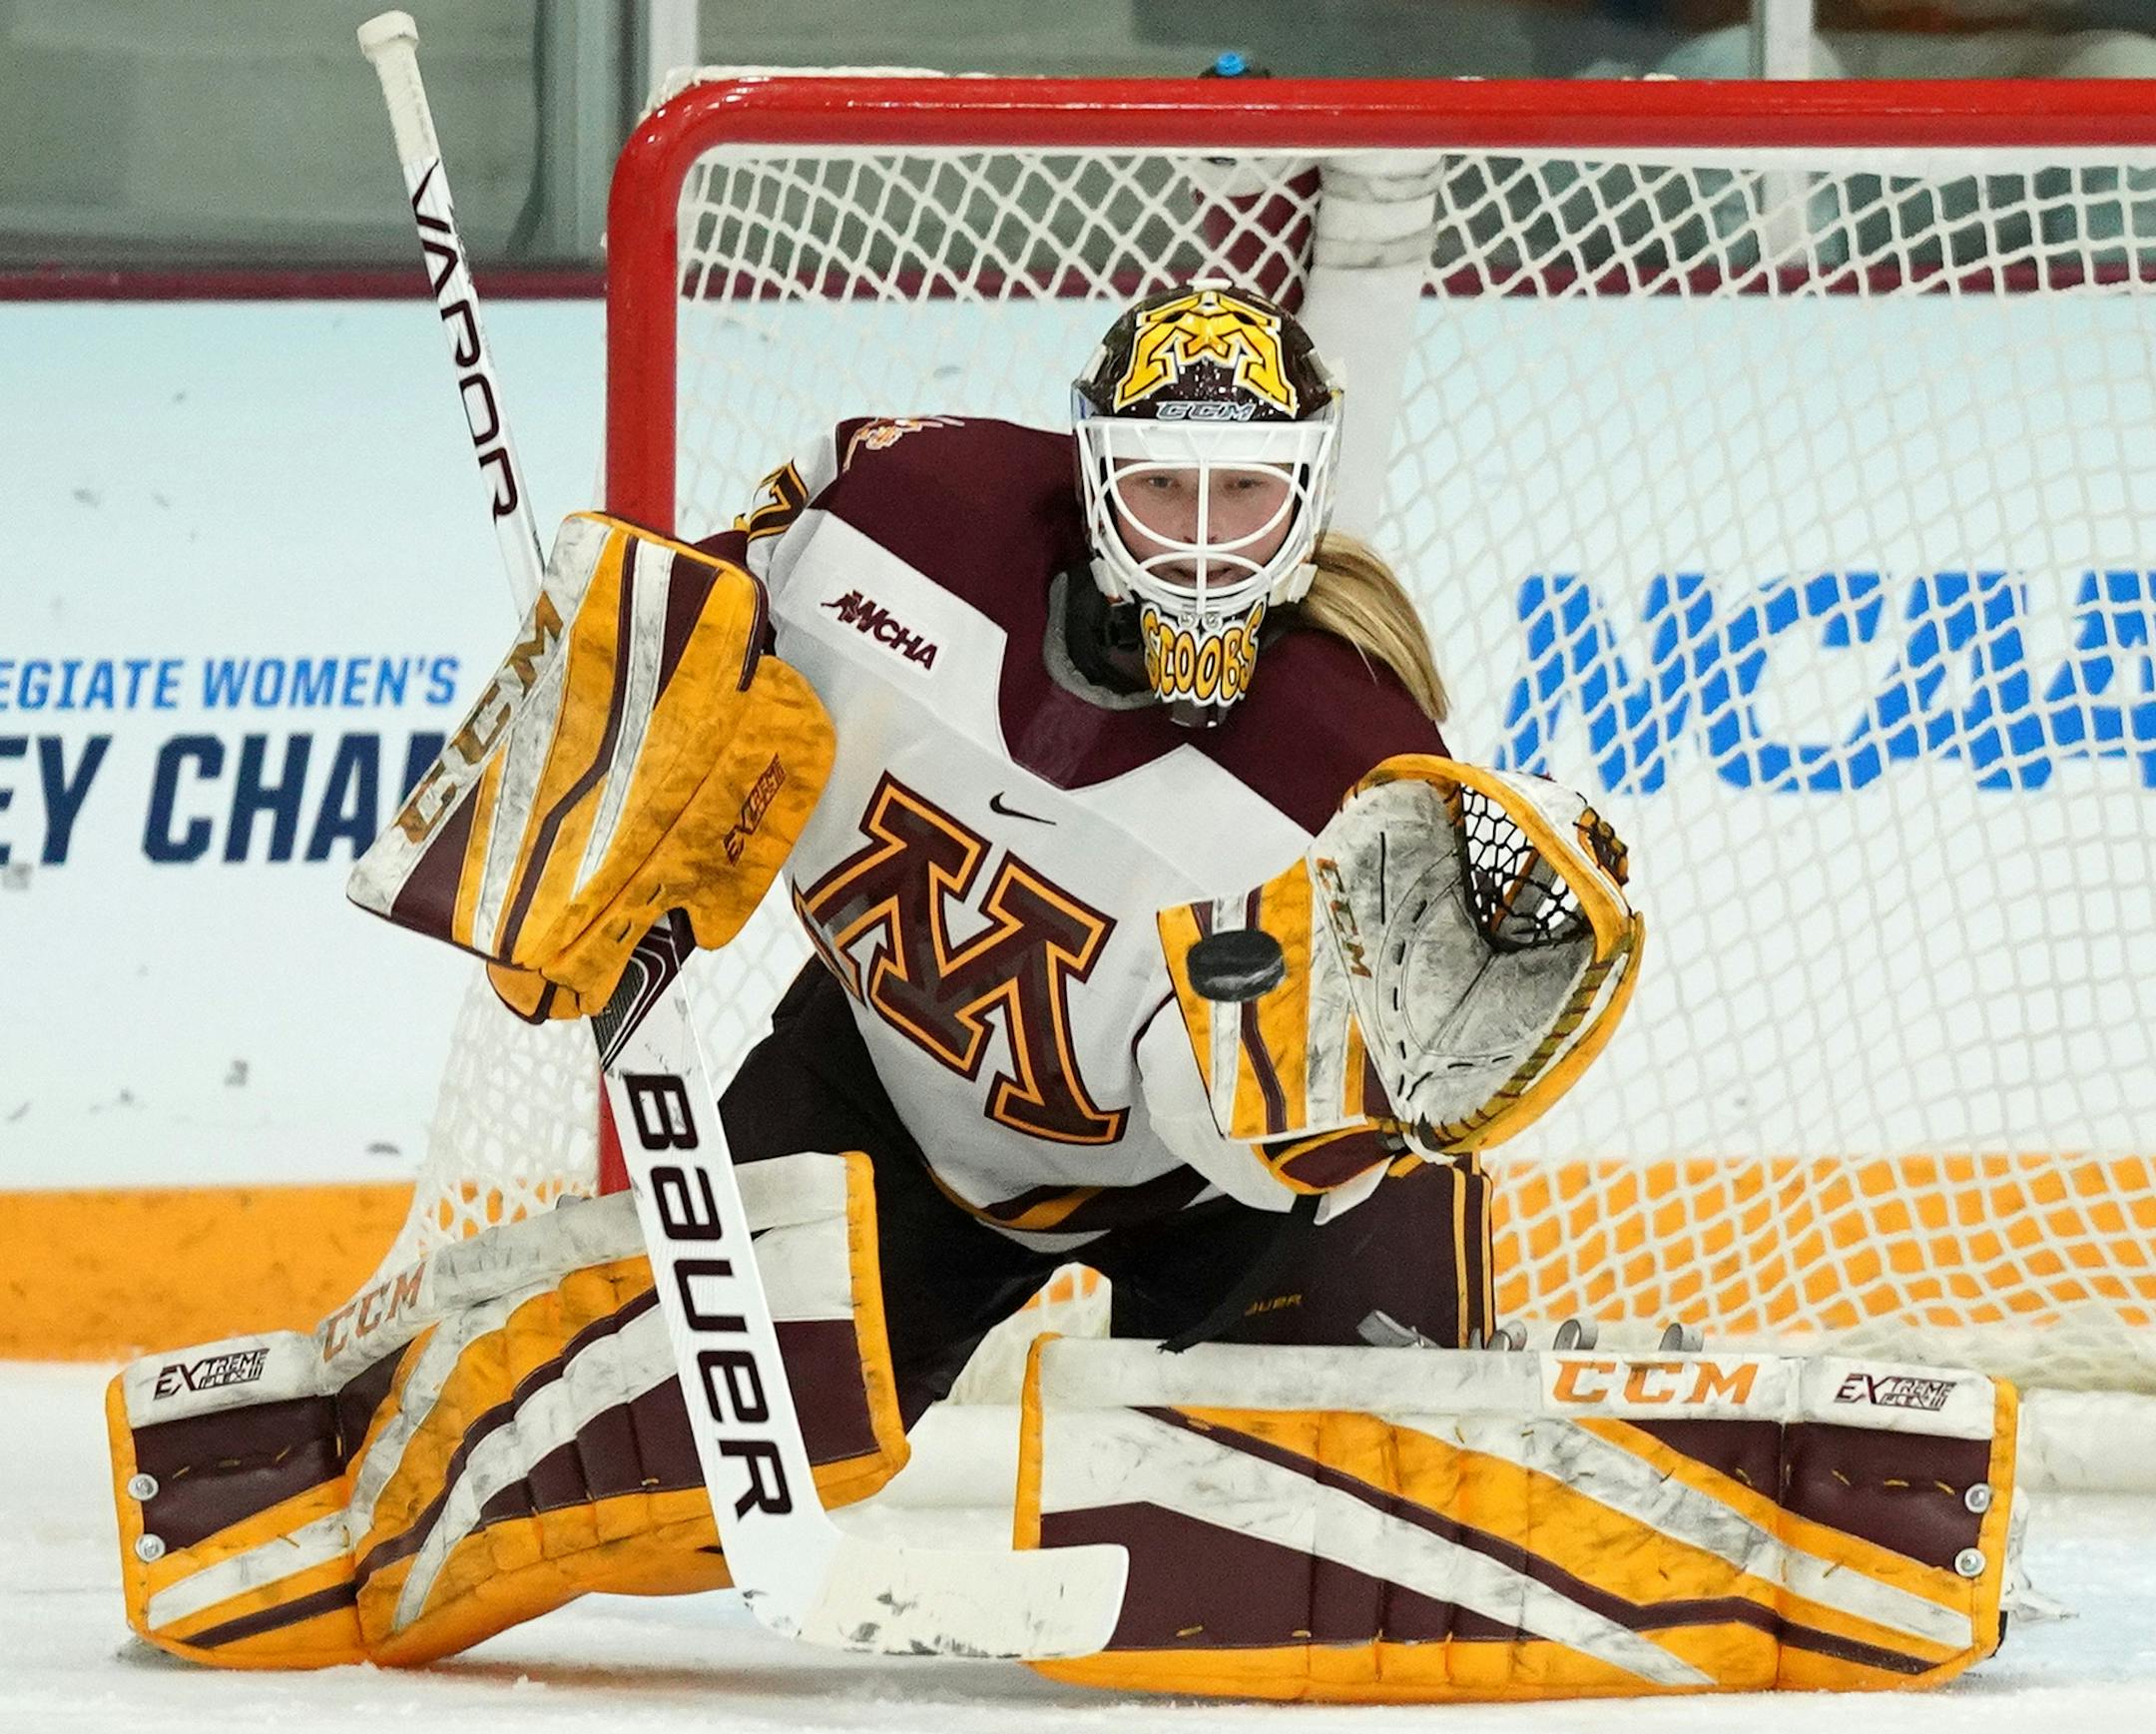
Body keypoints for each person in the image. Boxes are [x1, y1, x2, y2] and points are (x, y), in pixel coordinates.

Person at [704, 279, 1489, 1429]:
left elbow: (1309, 1127)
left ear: (1306, 497)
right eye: (1164, 482)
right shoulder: (888, 529)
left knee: (1318, 1525)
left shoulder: (1366, 772)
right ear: (1095, 473)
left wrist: (1347, 1093)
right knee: (663, 1449)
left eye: (1247, 491)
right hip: (885, 1097)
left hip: (1218, 1218)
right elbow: (674, 628)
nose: (1206, 538)